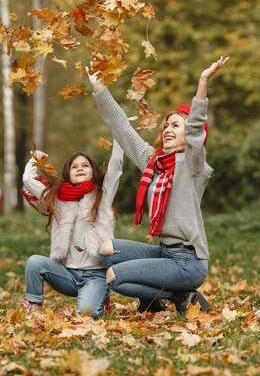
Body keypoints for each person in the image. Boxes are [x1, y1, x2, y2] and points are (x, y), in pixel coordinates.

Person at [86, 56, 230, 314]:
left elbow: (196, 127)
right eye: (166, 125)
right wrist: (99, 88)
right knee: (105, 250)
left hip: (189, 262)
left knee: (114, 276)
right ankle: (180, 295)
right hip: (164, 254)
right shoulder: (154, 163)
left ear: (193, 135)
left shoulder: (193, 164)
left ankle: (180, 294)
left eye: (176, 125)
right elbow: (121, 129)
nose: (167, 129)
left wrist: (203, 81)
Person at [21, 141, 123, 318]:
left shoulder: (103, 193)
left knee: (86, 314)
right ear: (68, 173)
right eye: (74, 166)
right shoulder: (57, 198)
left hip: (96, 275)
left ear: (92, 171)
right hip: (67, 274)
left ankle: (101, 298)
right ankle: (34, 306)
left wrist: (119, 136)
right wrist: (34, 161)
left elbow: (116, 166)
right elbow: (28, 180)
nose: (80, 168)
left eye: (85, 165)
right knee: (34, 262)